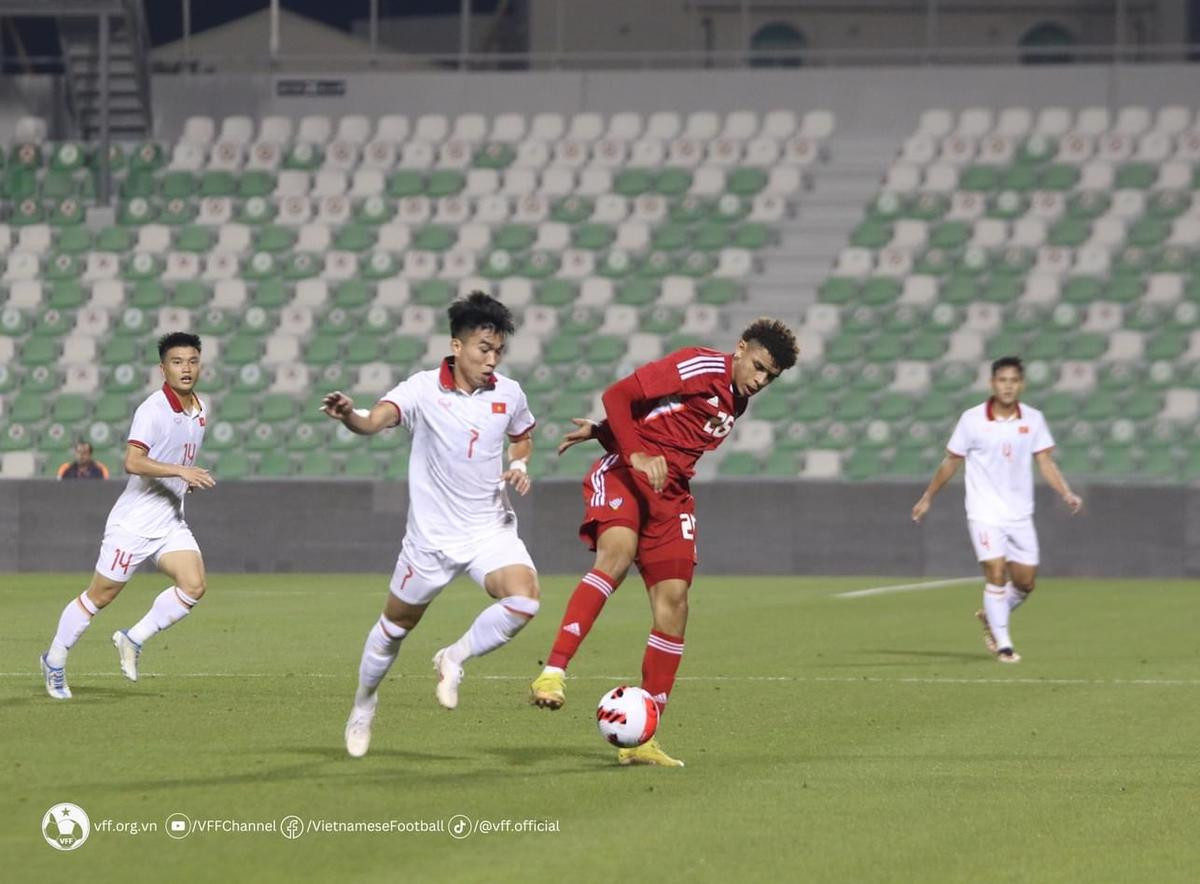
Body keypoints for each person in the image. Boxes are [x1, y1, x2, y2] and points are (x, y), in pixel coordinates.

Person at [530, 319, 799, 767]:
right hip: (625, 472)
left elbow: (662, 424)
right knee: (616, 556)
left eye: (770, 377)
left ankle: (643, 738)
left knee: (675, 603)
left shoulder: (737, 402)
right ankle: (552, 673)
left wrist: (602, 431)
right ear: (739, 349)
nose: (760, 380)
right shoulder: (698, 365)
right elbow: (619, 396)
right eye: (758, 367)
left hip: (669, 493)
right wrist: (625, 448)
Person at [324, 292, 540, 759]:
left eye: (498, 351)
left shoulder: (509, 393)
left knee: (524, 600)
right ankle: (363, 705)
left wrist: (519, 463)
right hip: (431, 542)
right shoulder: (421, 389)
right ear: (456, 346)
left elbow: (523, 436)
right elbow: (374, 420)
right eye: (484, 348)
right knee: (393, 629)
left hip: (489, 530)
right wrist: (350, 417)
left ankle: (454, 656)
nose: (492, 359)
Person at [40, 332, 214, 700]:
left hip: (169, 520)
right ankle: (54, 660)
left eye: (192, 361)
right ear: (162, 368)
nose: (186, 368)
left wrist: (185, 477)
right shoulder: (152, 409)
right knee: (99, 597)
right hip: (133, 525)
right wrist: (181, 472)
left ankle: (132, 639)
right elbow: (133, 461)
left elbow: (176, 457)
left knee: (194, 585)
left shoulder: (200, 409)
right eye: (177, 362)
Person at [911, 355, 1083, 663]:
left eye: (1013, 380)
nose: (1007, 386)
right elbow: (951, 461)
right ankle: (1004, 645)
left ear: (1021, 384)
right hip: (983, 512)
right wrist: (927, 497)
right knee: (995, 572)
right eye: (1002, 380)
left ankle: (991, 617)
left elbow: (1045, 462)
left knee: (1026, 583)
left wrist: (1066, 492)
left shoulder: (1033, 420)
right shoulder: (972, 419)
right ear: (992, 383)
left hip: (1019, 514)